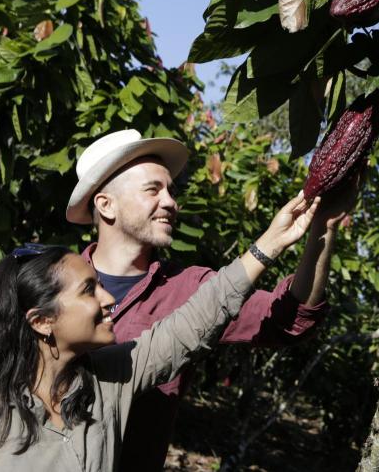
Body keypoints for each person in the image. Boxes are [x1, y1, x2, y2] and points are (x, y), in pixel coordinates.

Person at [0, 193, 319, 471]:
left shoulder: (108, 383)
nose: (108, 298)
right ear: (41, 321)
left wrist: (272, 242)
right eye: (88, 290)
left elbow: (195, 321)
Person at [65, 129, 354, 470]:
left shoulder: (191, 289)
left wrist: (323, 229)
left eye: (171, 190)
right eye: (152, 190)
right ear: (106, 204)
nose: (171, 202)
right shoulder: (50, 284)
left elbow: (291, 320)